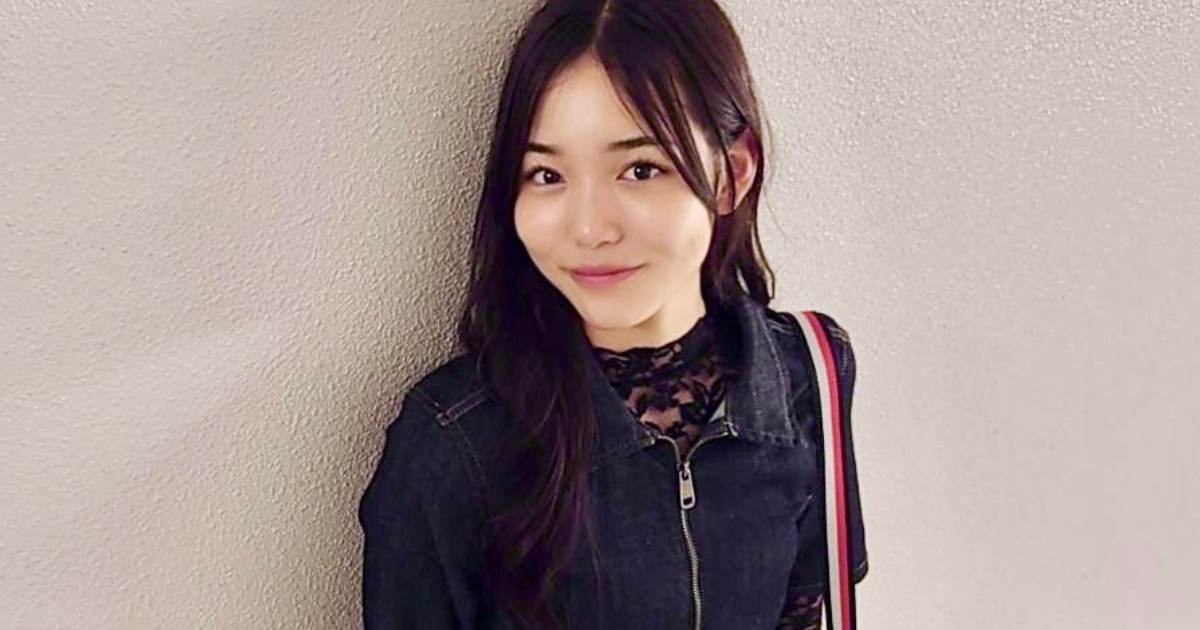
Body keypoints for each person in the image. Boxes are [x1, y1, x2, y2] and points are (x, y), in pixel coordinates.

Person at [357, 0, 867, 628]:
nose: (590, 228)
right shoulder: (452, 440)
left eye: (640, 168)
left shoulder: (809, 372)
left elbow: (805, 607)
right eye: (546, 174)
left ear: (731, 174)